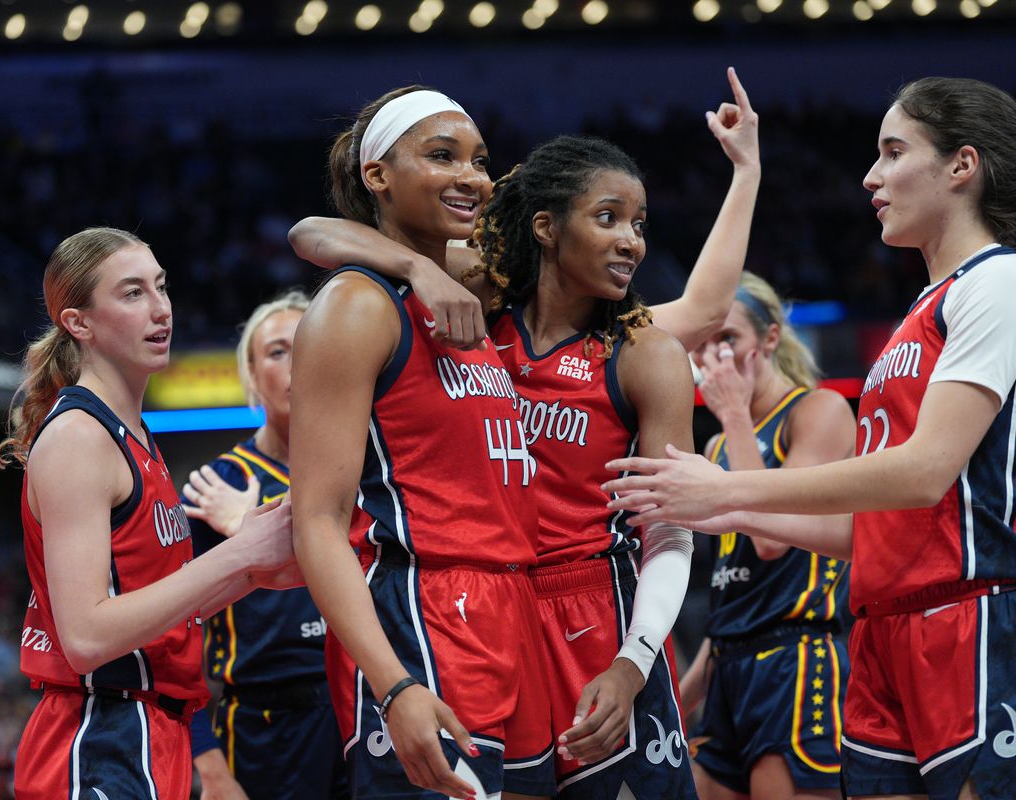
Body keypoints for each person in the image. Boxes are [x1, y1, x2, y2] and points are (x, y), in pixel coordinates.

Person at [289, 68, 760, 799]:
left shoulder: (637, 348)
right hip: (459, 606)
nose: (630, 240)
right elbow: (314, 232)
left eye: (638, 224)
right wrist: (417, 264)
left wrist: (746, 172)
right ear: (546, 227)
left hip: (587, 605)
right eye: (607, 218)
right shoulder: (475, 302)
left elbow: (701, 308)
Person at [605, 77, 1016, 800]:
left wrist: (730, 487)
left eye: (894, 152)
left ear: (963, 166)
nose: (870, 176)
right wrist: (720, 509)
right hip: (880, 629)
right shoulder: (915, 316)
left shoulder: (1003, 280)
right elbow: (867, 529)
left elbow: (927, 471)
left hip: (974, 615)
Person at [290, 86, 557, 800]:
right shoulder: (357, 305)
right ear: (378, 175)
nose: (472, 176)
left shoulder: (477, 280)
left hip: (513, 608)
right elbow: (316, 519)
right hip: (425, 613)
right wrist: (395, 684)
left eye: (478, 160)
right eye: (442, 156)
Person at [0, 227, 296, 800]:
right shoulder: (80, 437)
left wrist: (252, 569)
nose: (161, 310)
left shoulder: (136, 435)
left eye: (161, 288)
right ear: (78, 322)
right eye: (132, 294)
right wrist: (237, 553)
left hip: (151, 729)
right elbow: (85, 636)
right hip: (97, 735)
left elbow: (160, 608)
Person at [675, 273, 855, 800]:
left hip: (797, 656)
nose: (715, 359)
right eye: (703, 344)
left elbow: (773, 540)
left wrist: (732, 414)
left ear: (770, 339)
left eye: (728, 339)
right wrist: (683, 695)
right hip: (728, 663)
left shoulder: (817, 412)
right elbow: (737, 590)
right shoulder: (715, 453)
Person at [185, 290, 348, 800]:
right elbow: (165, 638)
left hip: (363, 712)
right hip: (264, 729)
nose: (299, 361)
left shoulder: (372, 468)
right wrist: (208, 765)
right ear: (252, 378)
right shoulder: (217, 484)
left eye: (309, 344)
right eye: (278, 351)